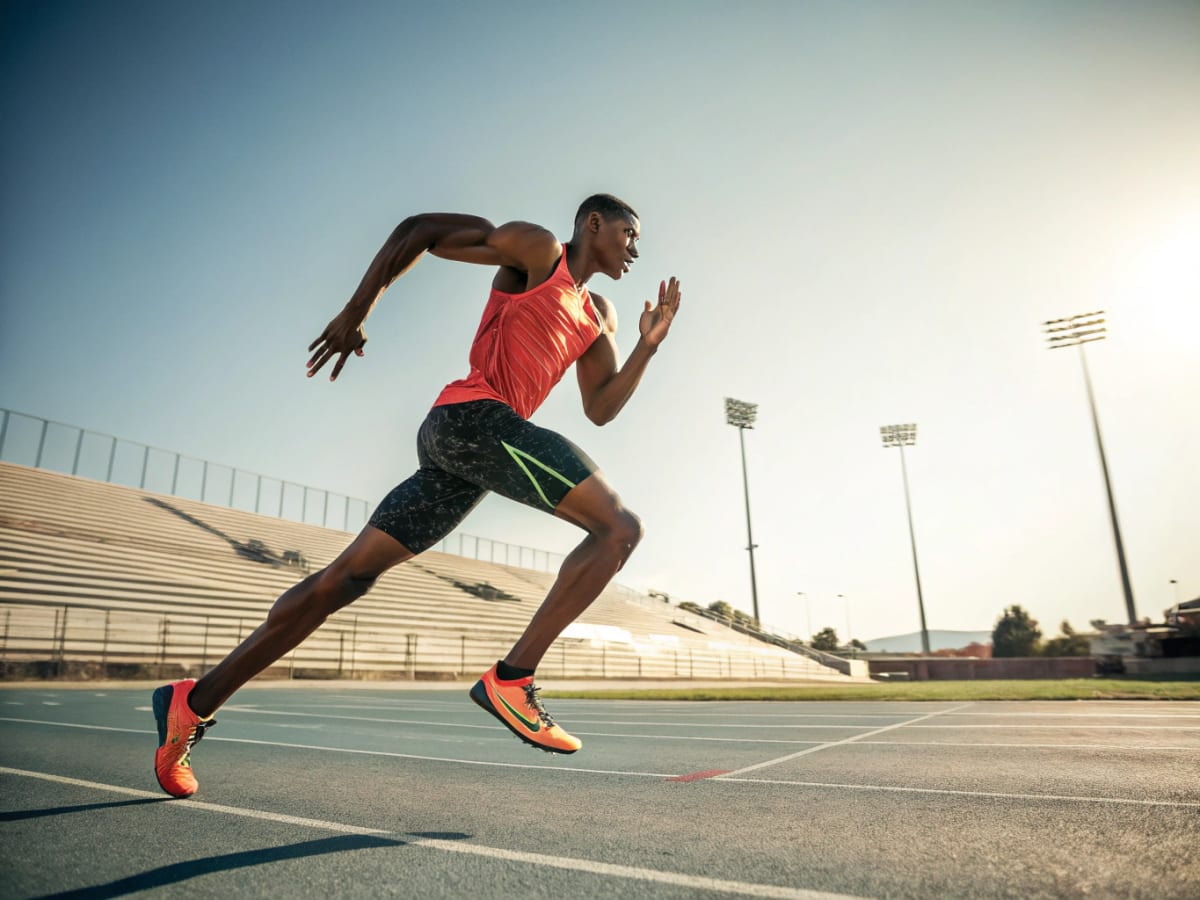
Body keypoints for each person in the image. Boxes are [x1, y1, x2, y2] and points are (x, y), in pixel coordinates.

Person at [152, 194, 681, 797]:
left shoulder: (599, 314)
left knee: (343, 580)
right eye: (629, 233)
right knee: (619, 529)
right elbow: (420, 229)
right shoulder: (540, 253)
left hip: (467, 453)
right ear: (594, 223)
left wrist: (648, 346)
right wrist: (356, 311)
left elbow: (601, 407)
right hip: (473, 420)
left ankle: (192, 704)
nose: (635, 249)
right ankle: (512, 678)